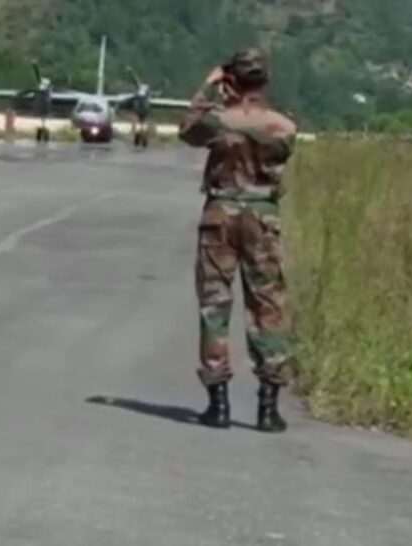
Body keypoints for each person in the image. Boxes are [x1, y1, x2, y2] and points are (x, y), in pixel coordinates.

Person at [177, 48, 298, 433]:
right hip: (263, 217)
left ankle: (218, 403)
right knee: (267, 305)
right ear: (265, 80)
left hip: (220, 215)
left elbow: (188, 129)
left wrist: (209, 86)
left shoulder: (217, 120)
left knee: (215, 304)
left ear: (231, 79)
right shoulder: (284, 126)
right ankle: (268, 407)